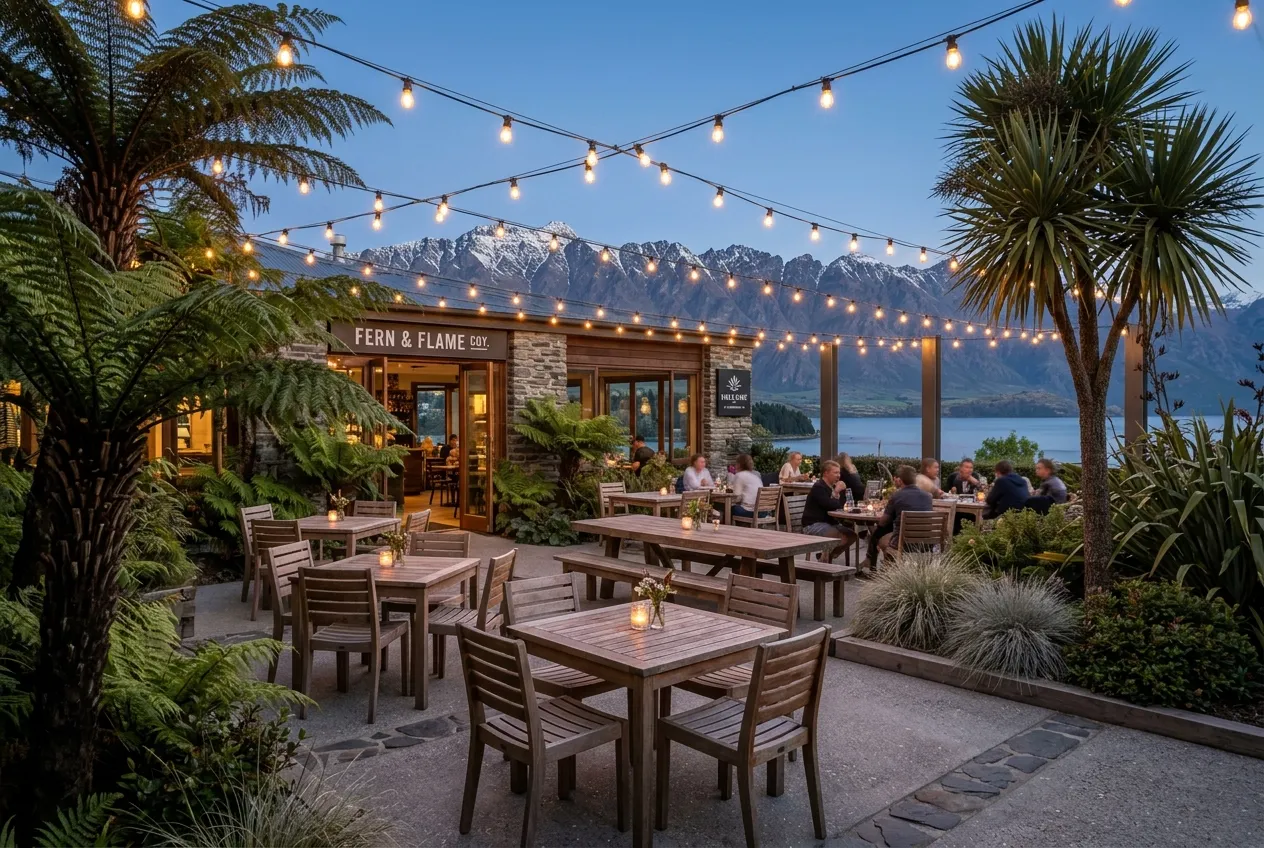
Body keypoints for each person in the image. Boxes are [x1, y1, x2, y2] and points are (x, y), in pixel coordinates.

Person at [867, 465, 933, 569]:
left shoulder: (897, 495)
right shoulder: (928, 496)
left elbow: (884, 521)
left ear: (901, 481)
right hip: (926, 542)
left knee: (877, 535)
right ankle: (889, 570)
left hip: (903, 542)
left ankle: (874, 569)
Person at [801, 460, 860, 561]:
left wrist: (839, 493)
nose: (838, 475)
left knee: (852, 536)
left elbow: (842, 504)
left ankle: (826, 557)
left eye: (839, 472)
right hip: (813, 525)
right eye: (835, 472)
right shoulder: (819, 487)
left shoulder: (832, 487)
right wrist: (837, 491)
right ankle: (825, 559)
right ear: (826, 473)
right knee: (840, 537)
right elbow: (830, 505)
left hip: (829, 523)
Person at [730, 454, 767, 519]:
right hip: (763, 512)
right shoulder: (755, 476)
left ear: (739, 464)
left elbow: (736, 496)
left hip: (751, 511)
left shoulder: (739, 475)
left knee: (729, 508)